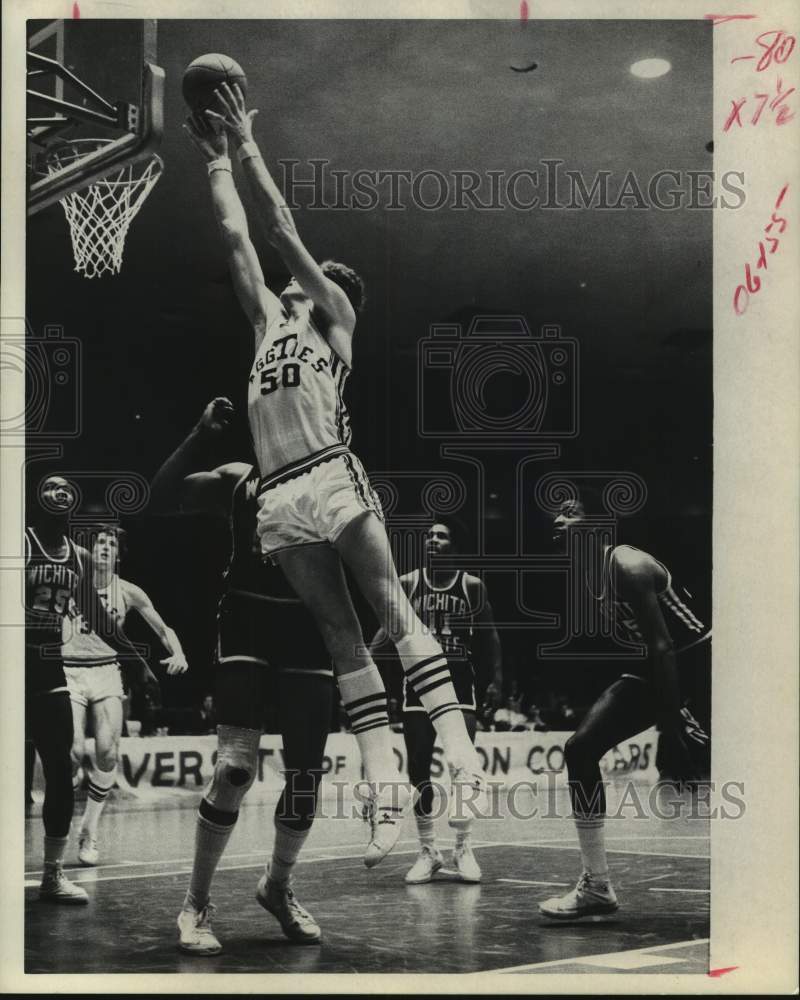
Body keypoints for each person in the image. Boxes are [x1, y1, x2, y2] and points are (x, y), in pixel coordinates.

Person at [183, 91, 486, 866]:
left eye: (314, 283)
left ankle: (459, 748)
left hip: (329, 473)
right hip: (280, 495)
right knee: (341, 636)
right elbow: (236, 238)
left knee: (389, 605)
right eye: (300, 284)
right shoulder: (264, 328)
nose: (295, 286)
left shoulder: (336, 323)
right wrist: (211, 157)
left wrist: (247, 142)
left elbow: (279, 232)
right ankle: (385, 786)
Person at [151, 397, 334, 954]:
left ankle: (277, 888)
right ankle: (195, 903)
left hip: (309, 626)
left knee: (305, 778)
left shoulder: (334, 481)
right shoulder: (238, 480)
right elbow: (159, 498)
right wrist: (199, 434)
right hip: (248, 618)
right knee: (234, 769)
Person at [538, 493, 711, 920]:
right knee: (580, 749)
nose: (557, 520)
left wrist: (672, 726)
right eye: (553, 515)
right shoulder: (586, 575)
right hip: (656, 670)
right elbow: (643, 649)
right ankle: (596, 885)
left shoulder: (627, 564)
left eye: (568, 511)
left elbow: (664, 644)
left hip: (702, 665)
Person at [25, 476, 157, 904]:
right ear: (36, 498)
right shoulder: (20, 542)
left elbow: (104, 625)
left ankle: (52, 875)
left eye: (66, 489)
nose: (60, 492)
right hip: (14, 664)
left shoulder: (78, 559)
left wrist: (142, 666)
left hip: (49, 673)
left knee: (61, 773)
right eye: (51, 487)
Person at [372, 519, 503, 884]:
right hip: (418, 685)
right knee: (418, 767)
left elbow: (490, 637)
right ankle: (428, 849)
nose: (432, 540)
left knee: (464, 768)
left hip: (461, 684)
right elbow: (386, 632)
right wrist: (362, 667)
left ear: (454, 547)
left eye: (441, 536)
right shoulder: (409, 583)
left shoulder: (472, 587)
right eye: (429, 536)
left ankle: (463, 847)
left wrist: (497, 682)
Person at [62, 524, 189, 866]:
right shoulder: (70, 583)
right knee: (72, 752)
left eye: (111, 543)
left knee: (107, 752)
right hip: (68, 670)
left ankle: (89, 830)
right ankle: (70, 782)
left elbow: (165, 629)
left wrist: (178, 653)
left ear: (118, 554)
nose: (104, 547)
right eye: (99, 541)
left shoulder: (129, 591)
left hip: (106, 672)